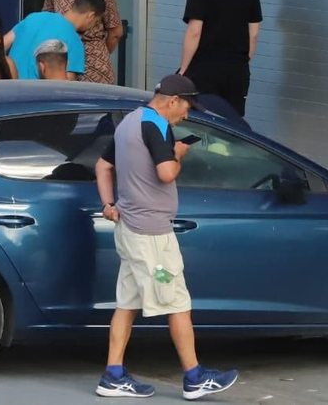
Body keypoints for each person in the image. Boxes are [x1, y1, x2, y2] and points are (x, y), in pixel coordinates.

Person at [93, 73, 237, 400]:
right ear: (172, 100)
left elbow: (102, 167)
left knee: (127, 304)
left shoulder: (129, 121)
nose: (186, 115)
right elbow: (166, 173)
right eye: (186, 107)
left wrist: (108, 204)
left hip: (130, 232)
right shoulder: (156, 124)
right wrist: (178, 155)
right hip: (153, 239)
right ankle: (194, 377)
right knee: (177, 301)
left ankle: (113, 374)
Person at [179, 0, 263, 118]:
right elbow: (254, 34)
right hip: (237, 72)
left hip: (204, 69)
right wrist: (241, 61)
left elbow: (194, 32)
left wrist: (183, 69)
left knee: (202, 120)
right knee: (231, 123)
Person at [5, 0, 103, 80]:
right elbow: (66, 84)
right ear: (90, 15)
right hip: (36, 96)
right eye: (96, 22)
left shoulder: (33, 17)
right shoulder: (74, 41)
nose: (92, 26)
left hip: (10, 91)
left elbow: (2, 43)